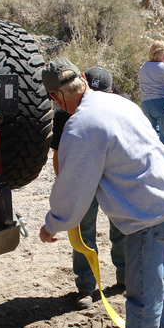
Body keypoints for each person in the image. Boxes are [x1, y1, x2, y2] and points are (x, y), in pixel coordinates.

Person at [39, 57, 164, 328]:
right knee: (160, 281)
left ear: (55, 97)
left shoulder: (81, 127)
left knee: (142, 297)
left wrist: (53, 223)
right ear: (81, 77)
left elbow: (73, 189)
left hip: (149, 214)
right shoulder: (118, 101)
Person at [49, 66, 127, 309]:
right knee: (83, 233)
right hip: (84, 180)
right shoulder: (65, 112)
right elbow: (59, 154)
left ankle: (126, 279)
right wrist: (66, 187)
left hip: (114, 178)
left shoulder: (122, 105)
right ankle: (86, 286)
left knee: (122, 228)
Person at [139, 40, 164, 150]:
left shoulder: (143, 67)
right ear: (159, 52)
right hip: (161, 103)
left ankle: (152, 157)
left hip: (146, 103)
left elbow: (142, 86)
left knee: (151, 134)